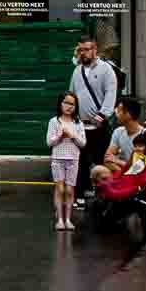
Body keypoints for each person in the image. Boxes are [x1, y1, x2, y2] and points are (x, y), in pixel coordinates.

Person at [69, 37, 121, 170]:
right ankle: (82, 189)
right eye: (80, 50)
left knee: (100, 162)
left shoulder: (106, 69)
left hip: (99, 126)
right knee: (80, 164)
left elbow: (111, 93)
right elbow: (71, 95)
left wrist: (103, 114)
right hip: (80, 127)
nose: (83, 53)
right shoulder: (77, 71)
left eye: (86, 49)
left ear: (95, 50)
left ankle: (99, 190)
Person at [46, 92, 88, 230]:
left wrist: (72, 135)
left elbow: (83, 143)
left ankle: (68, 218)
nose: (69, 106)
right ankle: (59, 219)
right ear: (60, 104)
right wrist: (59, 136)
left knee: (70, 190)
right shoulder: (54, 121)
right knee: (60, 188)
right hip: (58, 158)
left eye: (72, 104)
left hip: (73, 159)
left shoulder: (78, 123)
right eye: (66, 103)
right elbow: (49, 142)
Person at [88, 95, 144, 188]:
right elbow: (107, 158)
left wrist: (117, 161)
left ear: (129, 114)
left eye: (119, 110)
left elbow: (139, 165)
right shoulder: (118, 132)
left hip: (138, 174)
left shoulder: (144, 134)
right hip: (122, 171)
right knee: (97, 170)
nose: (115, 113)